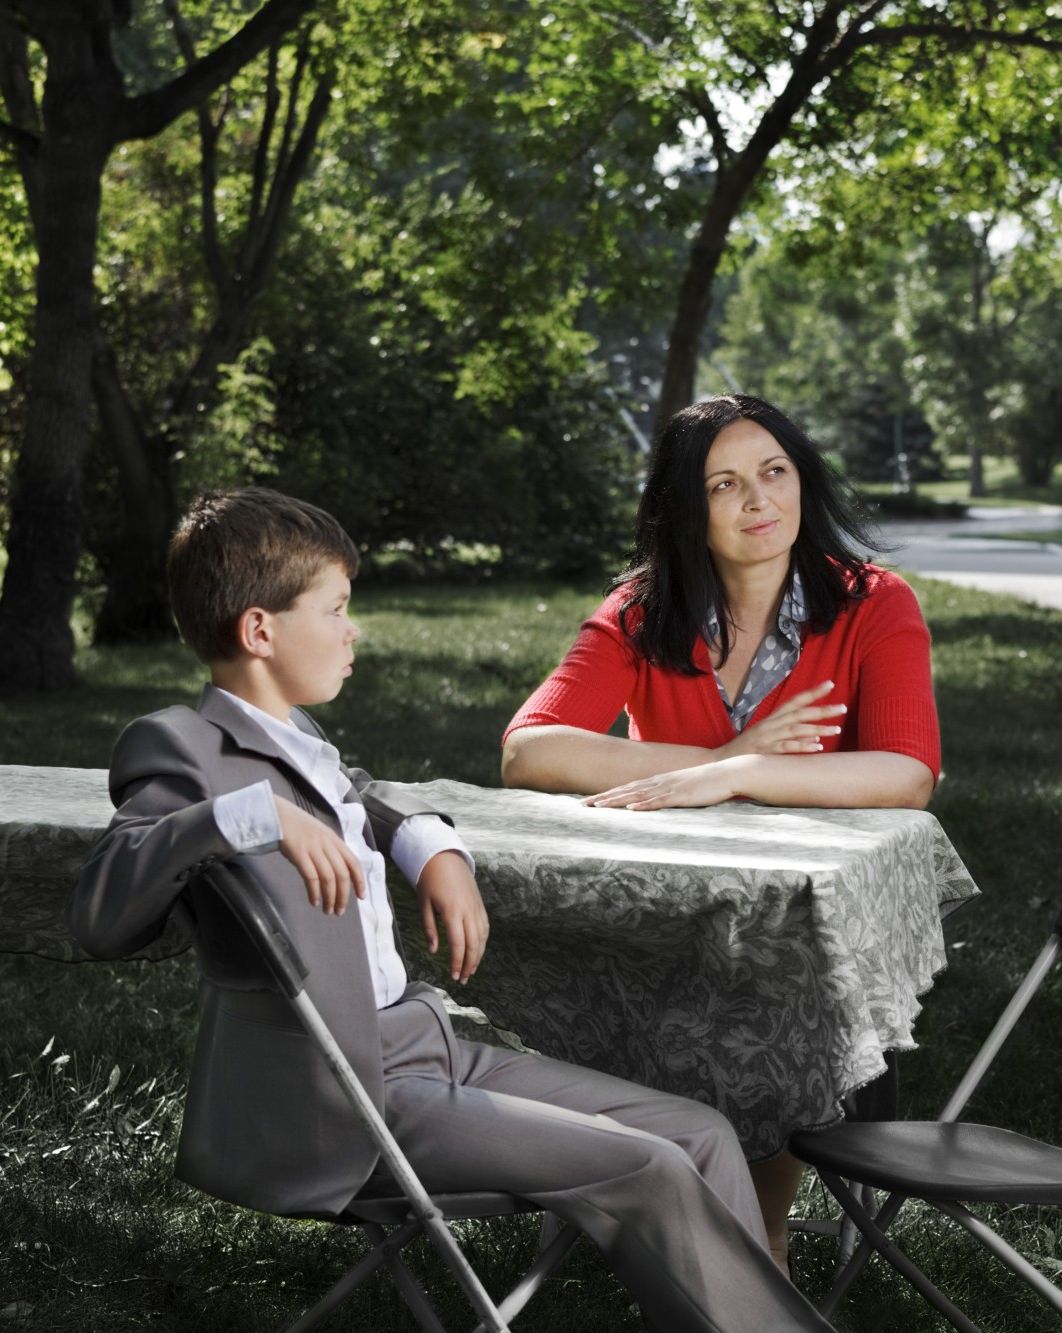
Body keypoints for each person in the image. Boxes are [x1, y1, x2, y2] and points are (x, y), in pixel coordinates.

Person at [70, 487, 828, 1333]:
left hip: (420, 1044)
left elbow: (357, 798)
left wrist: (430, 846)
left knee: (699, 1130)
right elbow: (102, 909)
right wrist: (243, 816)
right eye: (337, 608)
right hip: (338, 1100)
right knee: (649, 1166)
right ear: (260, 631)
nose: (353, 629)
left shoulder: (302, 739)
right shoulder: (181, 747)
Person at [501, 393, 942, 1268]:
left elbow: (905, 775)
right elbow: (530, 748)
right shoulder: (641, 608)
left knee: (763, 983)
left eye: (775, 473)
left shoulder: (873, 604)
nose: (759, 502)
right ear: (684, 508)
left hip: (799, 926)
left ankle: (757, 1232)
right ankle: (636, 1187)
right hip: (664, 908)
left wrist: (734, 773)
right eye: (725, 485)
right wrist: (728, 747)